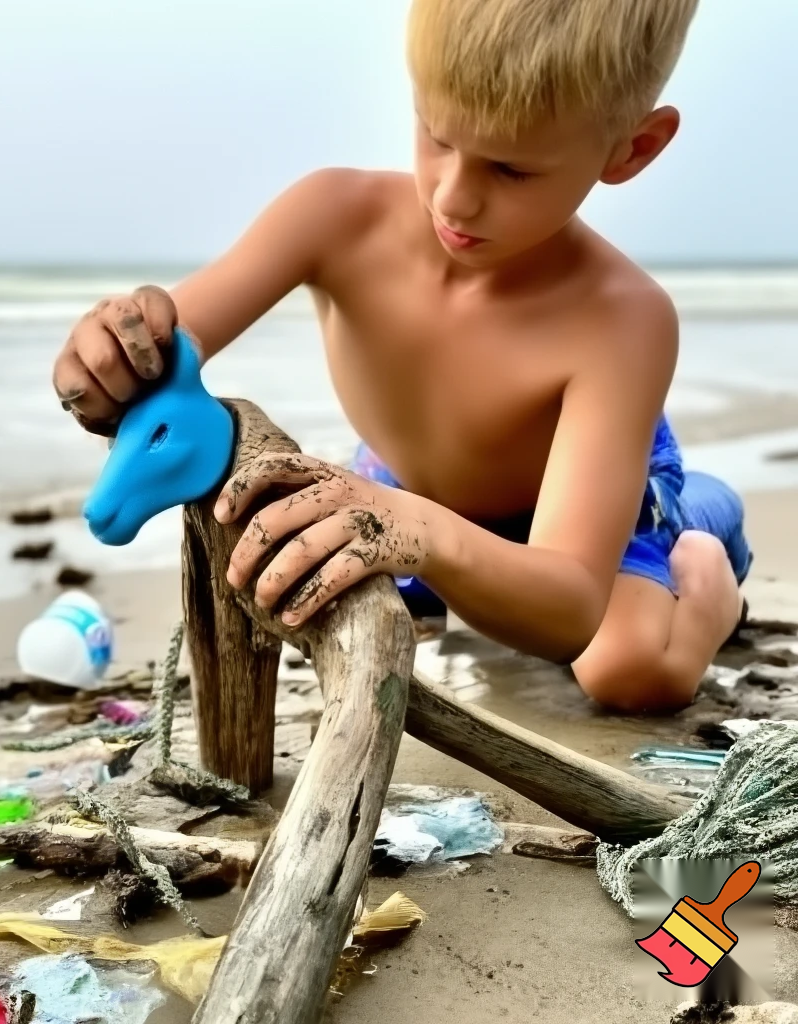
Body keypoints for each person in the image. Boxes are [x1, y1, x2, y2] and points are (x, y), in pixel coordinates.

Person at [52, 0, 753, 714]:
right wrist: (108, 356)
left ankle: (707, 551)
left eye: (510, 170)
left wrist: (426, 535)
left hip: (586, 516)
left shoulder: (623, 320)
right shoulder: (334, 215)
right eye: (435, 134)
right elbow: (166, 351)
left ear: (630, 149)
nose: (454, 198)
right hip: (402, 491)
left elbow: (566, 607)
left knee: (629, 672)